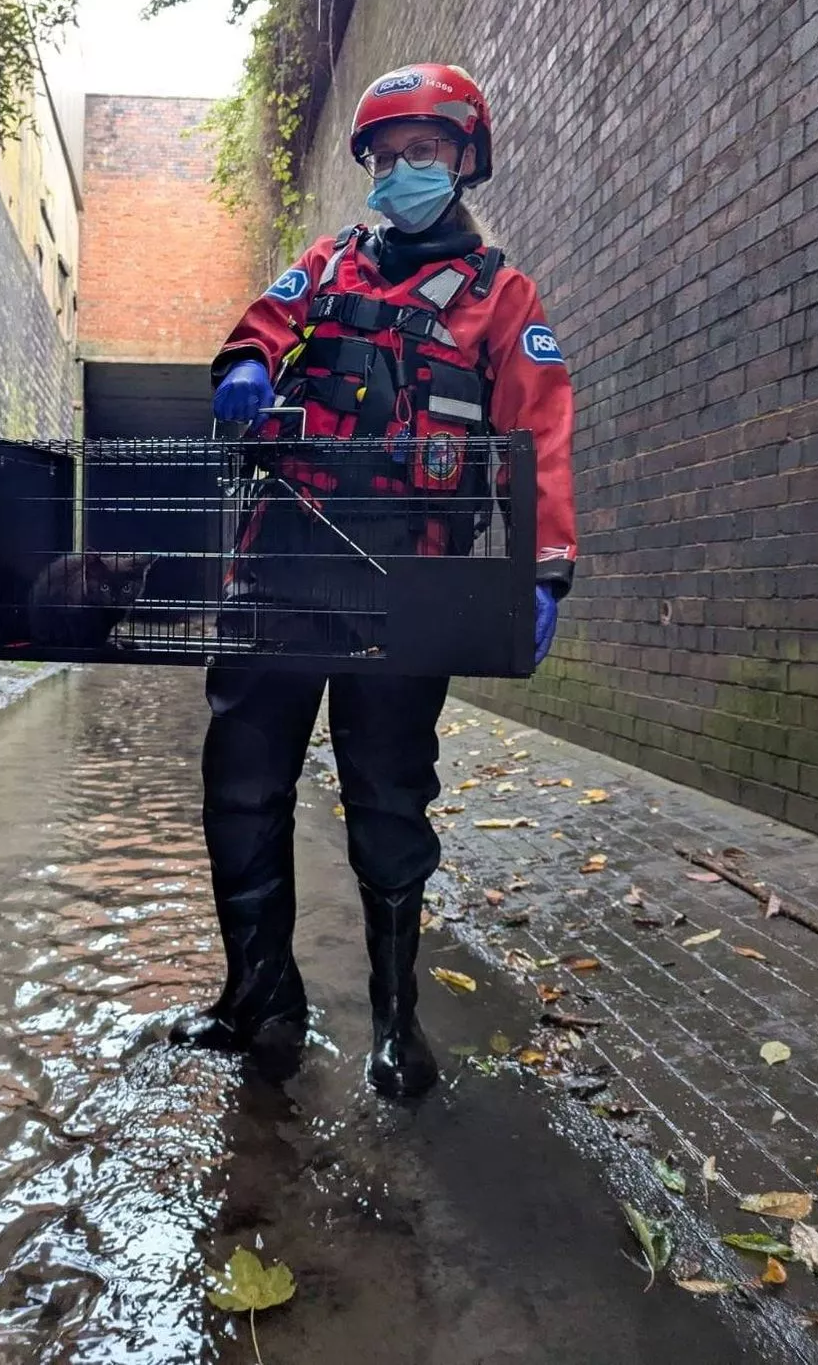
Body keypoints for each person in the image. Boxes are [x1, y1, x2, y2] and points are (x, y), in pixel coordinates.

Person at [171, 64, 576, 1098]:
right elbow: (269, 318)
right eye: (386, 158)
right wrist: (245, 364)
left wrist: (545, 570)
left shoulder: (501, 297)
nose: (402, 173)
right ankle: (258, 997)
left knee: (390, 794)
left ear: (463, 160)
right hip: (282, 561)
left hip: (411, 579)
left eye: (424, 155)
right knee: (242, 781)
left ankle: (397, 1024)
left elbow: (540, 431)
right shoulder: (329, 267)